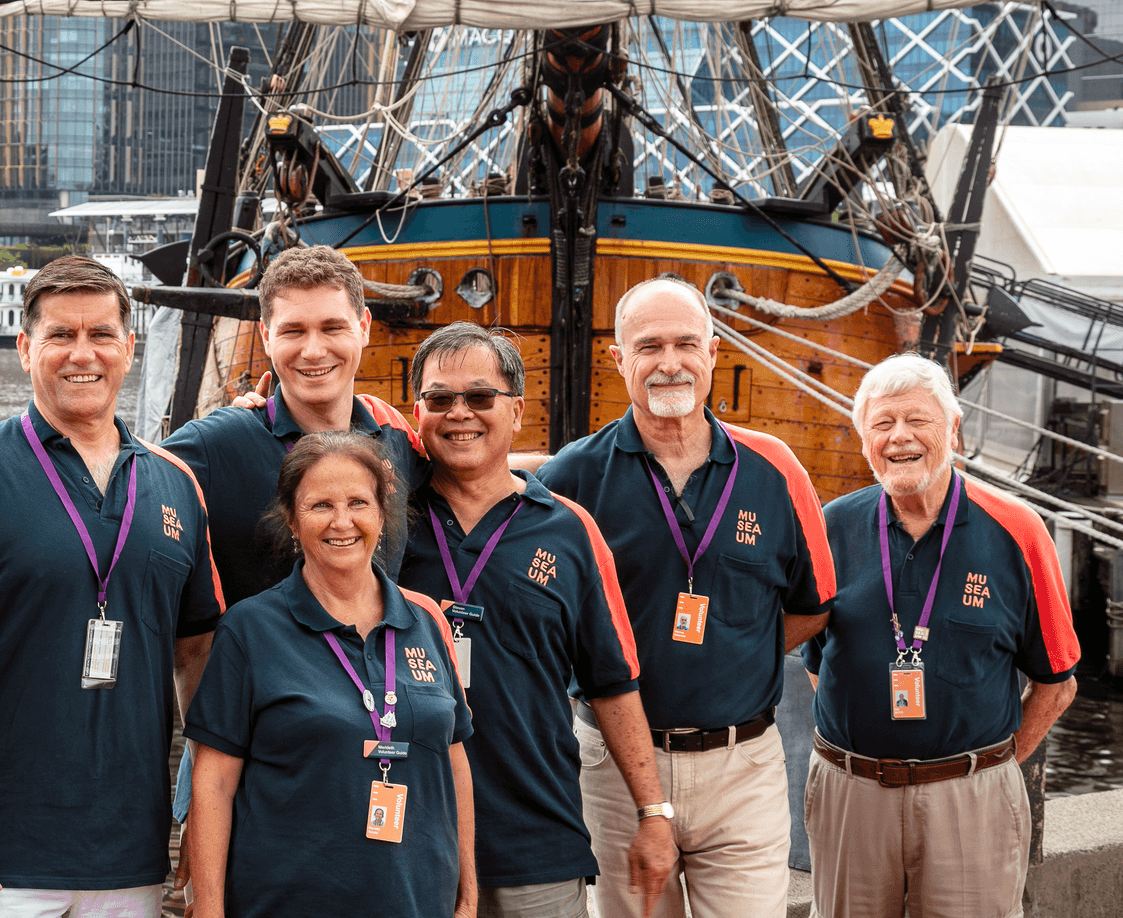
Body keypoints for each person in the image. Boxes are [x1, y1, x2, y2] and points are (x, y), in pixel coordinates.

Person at [0, 256, 224, 918]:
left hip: (132, 859)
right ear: (25, 349)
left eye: (101, 334)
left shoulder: (176, 486)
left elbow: (200, 663)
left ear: (129, 347)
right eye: (59, 336)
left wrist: (197, 816)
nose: (83, 354)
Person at [0, 244, 425, 606]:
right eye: (293, 331)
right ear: (265, 337)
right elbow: (111, 481)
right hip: (253, 730)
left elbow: (470, 487)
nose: (313, 350)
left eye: (332, 327)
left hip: (374, 712)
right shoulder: (215, 444)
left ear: (363, 327)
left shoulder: (393, 438)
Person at [538, 276, 836, 918]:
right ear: (618, 359)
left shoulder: (776, 469)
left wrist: (739, 648)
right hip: (615, 769)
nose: (669, 363)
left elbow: (815, 603)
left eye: (685, 344)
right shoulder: (571, 476)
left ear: (713, 351)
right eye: (649, 346)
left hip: (743, 769)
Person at [398, 323, 676, 918]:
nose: (459, 414)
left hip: (535, 842)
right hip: (407, 839)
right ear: (415, 411)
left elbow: (612, 682)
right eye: (439, 399)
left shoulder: (570, 531)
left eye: (479, 396)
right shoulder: (384, 523)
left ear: (517, 410)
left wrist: (653, 813)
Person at [802, 354, 1079, 918]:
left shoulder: (1017, 531)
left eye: (917, 421)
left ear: (953, 429)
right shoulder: (831, 527)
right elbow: (815, 662)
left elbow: (1057, 683)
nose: (899, 438)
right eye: (881, 425)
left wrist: (987, 768)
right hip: (851, 795)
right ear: (864, 442)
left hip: (971, 800)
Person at [183, 431, 476, 918]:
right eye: (320, 506)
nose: (343, 522)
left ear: (383, 515)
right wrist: (210, 909)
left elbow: (455, 760)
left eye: (359, 502)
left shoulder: (425, 621)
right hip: (288, 902)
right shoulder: (250, 629)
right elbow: (212, 783)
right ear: (293, 521)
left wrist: (468, 891)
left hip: (419, 900)